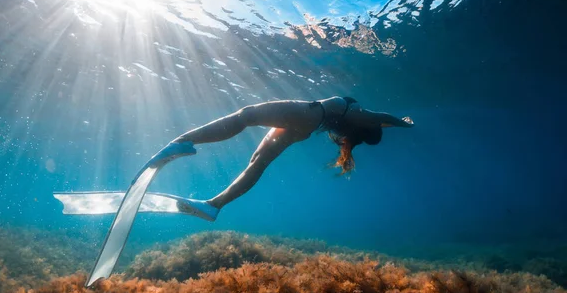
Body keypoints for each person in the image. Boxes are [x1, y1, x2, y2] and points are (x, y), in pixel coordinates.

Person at [168, 96, 413, 219]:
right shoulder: (358, 123)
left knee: (246, 115)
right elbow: (381, 123)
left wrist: (404, 123)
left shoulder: (364, 116)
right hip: (304, 129)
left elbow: (384, 117)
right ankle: (213, 206)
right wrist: (395, 125)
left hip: (308, 115)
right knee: (258, 162)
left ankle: (181, 142)